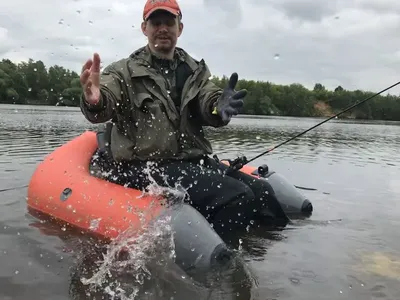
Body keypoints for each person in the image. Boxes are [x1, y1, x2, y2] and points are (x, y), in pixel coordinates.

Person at [79, 0, 289, 236]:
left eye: (169, 22)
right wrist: (94, 100)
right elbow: (104, 100)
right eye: (155, 22)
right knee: (237, 196)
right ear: (144, 28)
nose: (162, 28)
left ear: (180, 28)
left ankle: (264, 255)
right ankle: (222, 265)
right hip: (145, 165)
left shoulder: (193, 71)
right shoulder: (122, 71)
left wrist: (218, 106)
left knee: (262, 192)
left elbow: (208, 98)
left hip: (189, 162)